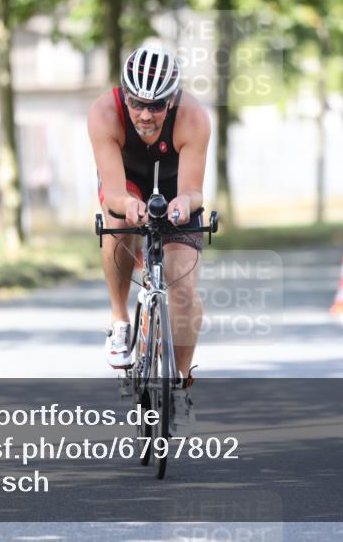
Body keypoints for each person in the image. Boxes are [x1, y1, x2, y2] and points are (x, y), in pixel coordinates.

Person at [87, 45, 211, 424]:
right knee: (120, 221)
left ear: (172, 101)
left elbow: (192, 191)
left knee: (184, 287)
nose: (145, 114)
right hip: (127, 184)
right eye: (137, 103)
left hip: (176, 189)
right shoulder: (103, 114)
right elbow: (114, 192)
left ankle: (180, 383)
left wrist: (182, 206)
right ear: (125, 96)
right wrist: (128, 206)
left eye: (156, 106)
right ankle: (121, 321)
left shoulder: (193, 118)